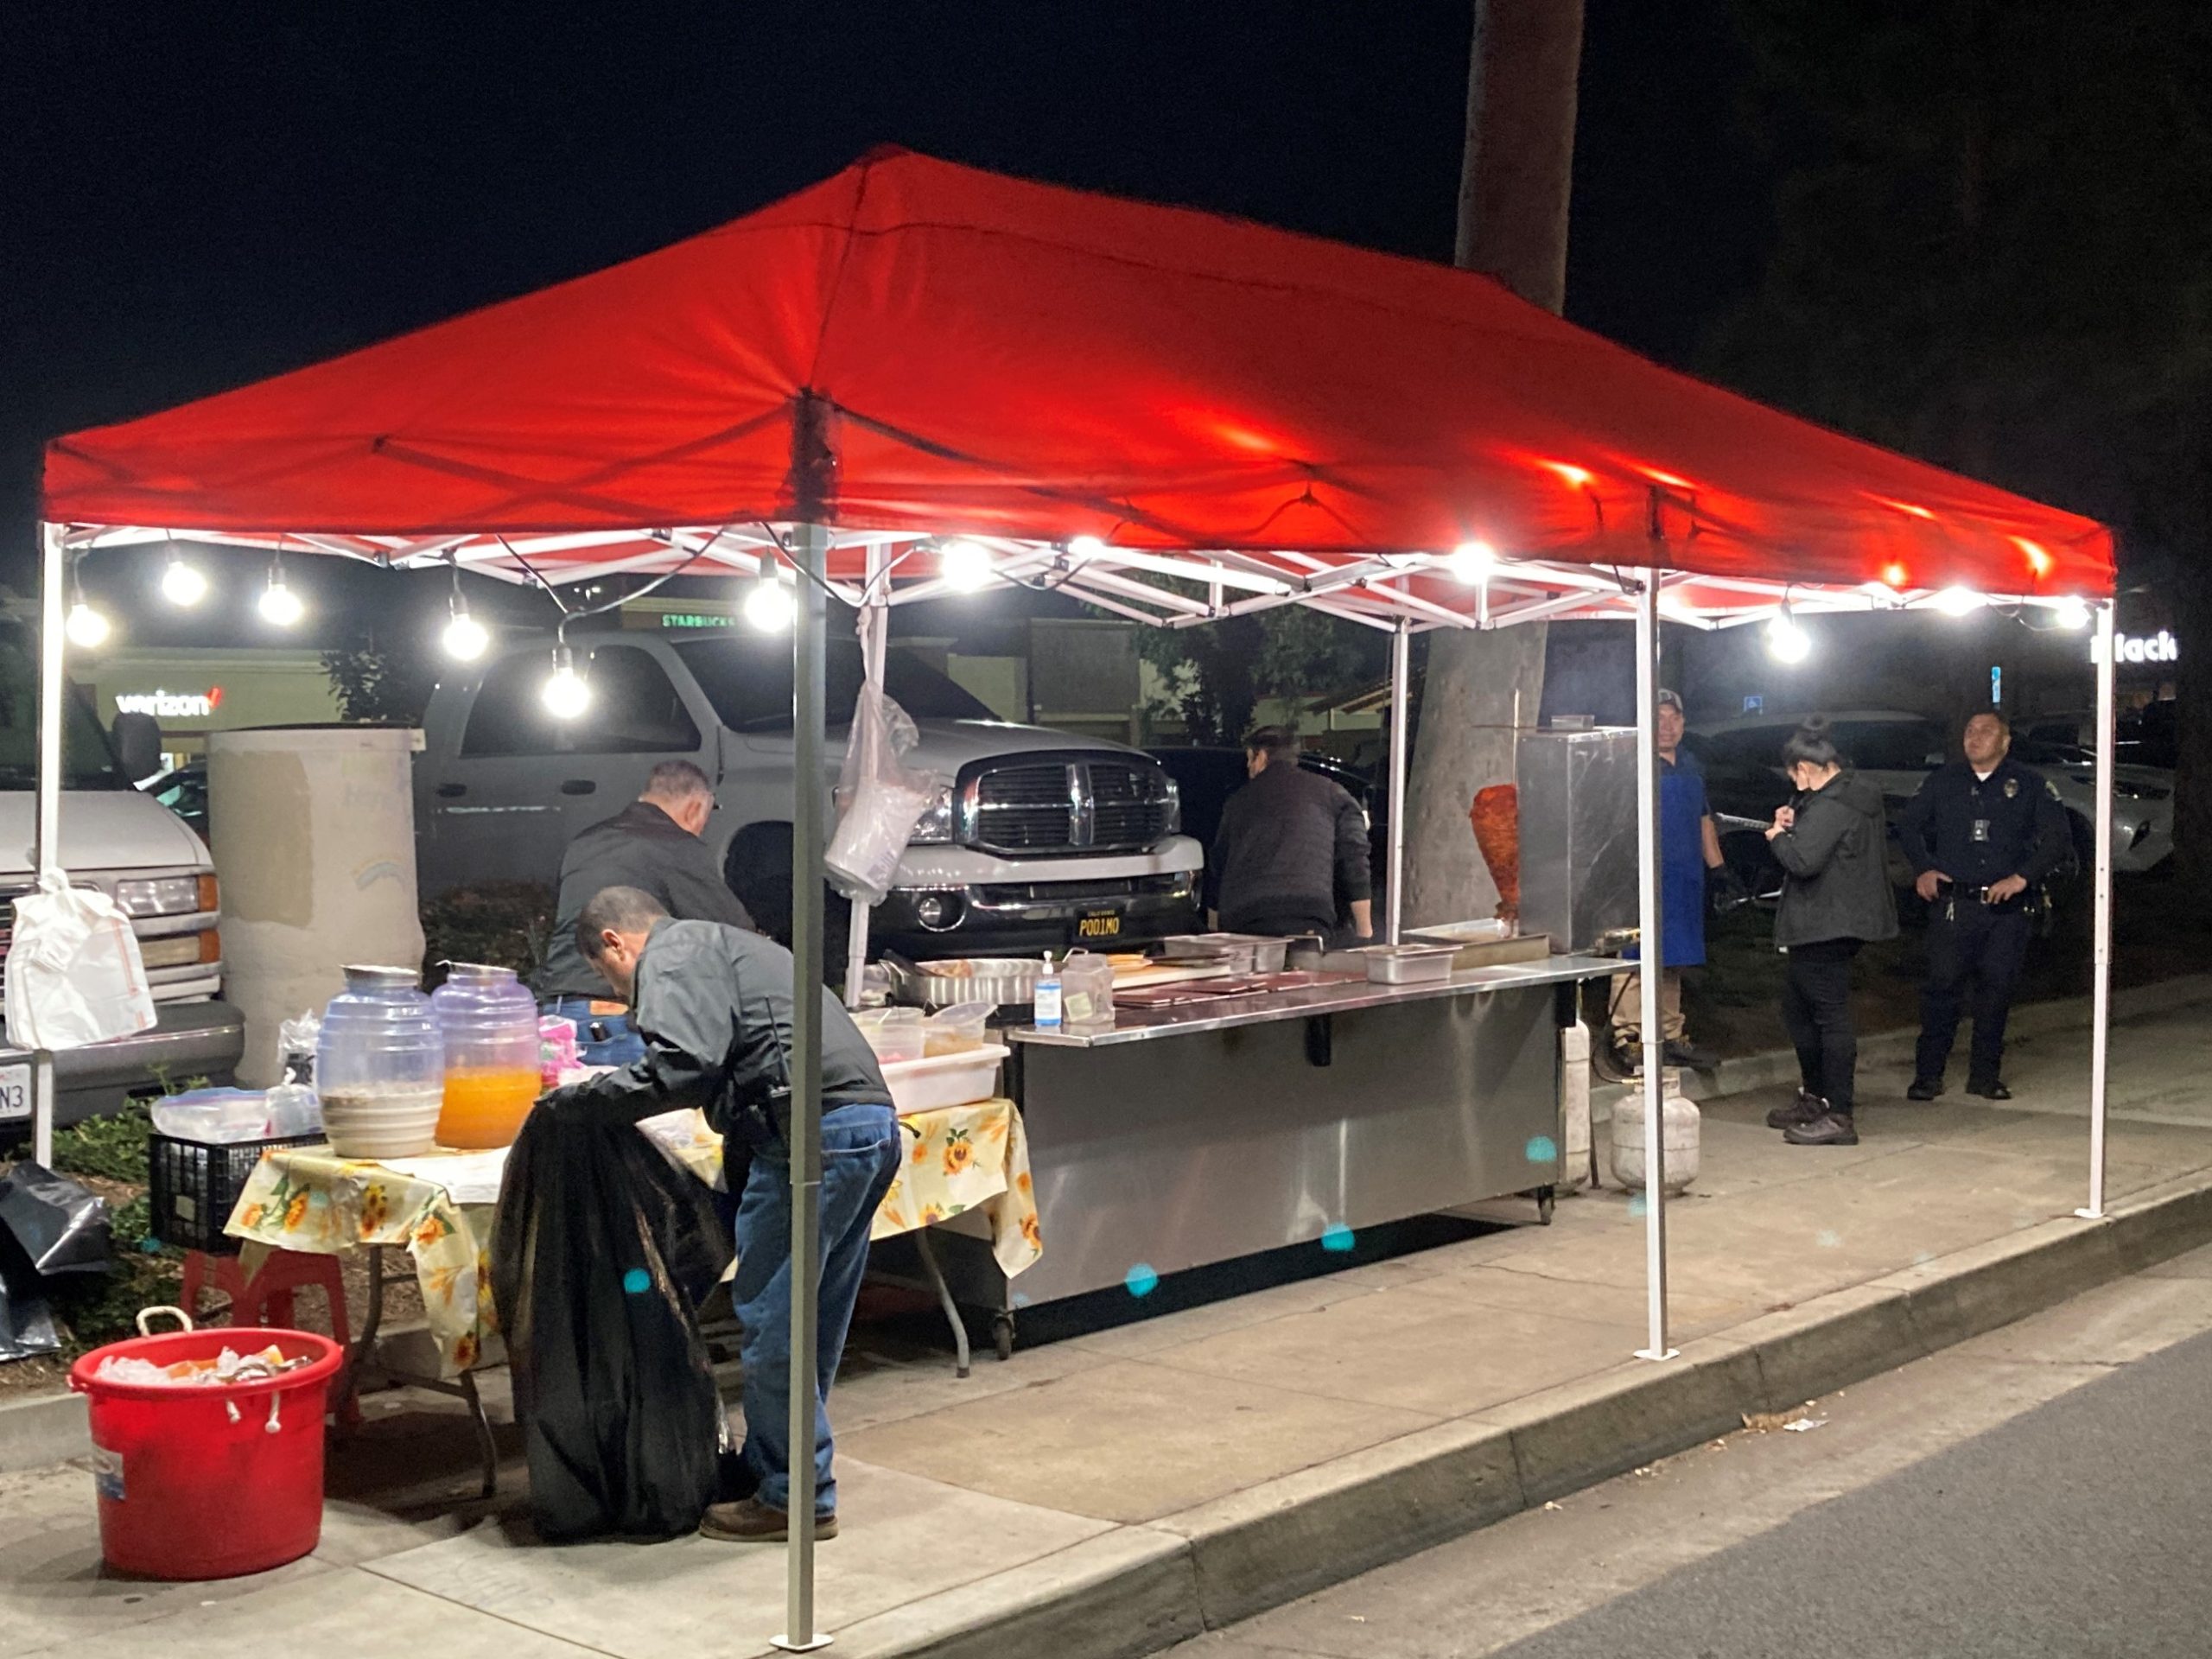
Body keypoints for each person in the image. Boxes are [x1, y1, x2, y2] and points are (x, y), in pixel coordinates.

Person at [540, 885, 899, 1543]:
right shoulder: (728, 945)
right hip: (867, 1128)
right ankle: (773, 1469)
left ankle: (794, 1498)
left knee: (776, 1324)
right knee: (809, 1323)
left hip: (808, 1140)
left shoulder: (672, 956)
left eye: (607, 974)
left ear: (617, 943)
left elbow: (684, 1065)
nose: (621, 993)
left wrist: (585, 1101)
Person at [1898, 710, 2071, 1101]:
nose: (1974, 737)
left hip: (2004, 910)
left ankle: (1985, 1076)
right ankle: (1928, 1076)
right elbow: (1908, 826)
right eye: (1969, 730)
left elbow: (2057, 839)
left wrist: (2023, 877)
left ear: (2005, 741)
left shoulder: (2028, 784)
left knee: (1995, 994)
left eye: (1985, 731)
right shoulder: (1944, 781)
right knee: (1941, 991)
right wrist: (1924, 869)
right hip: (1954, 906)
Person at [535, 760, 755, 1064]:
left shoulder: (584, 842)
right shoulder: (677, 845)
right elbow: (734, 933)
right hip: (618, 1019)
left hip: (555, 1015)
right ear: (694, 809)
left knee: (568, 1108)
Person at [1761, 717, 1898, 1147]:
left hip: (1827, 922)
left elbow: (1803, 860)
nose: (1792, 781)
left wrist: (1776, 837)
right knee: (1799, 1010)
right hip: (1834, 920)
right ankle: (1816, 1097)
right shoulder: (1849, 795)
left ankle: (1839, 1113)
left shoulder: (1834, 804)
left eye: (1794, 772)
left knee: (1828, 1014)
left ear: (1808, 766)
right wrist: (1793, 818)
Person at [1606, 689, 1741, 1077]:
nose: (1665, 726)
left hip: (1684, 879)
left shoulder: (1691, 765)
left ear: (1682, 723)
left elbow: (1704, 821)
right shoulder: (1629, 765)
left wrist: (1719, 870)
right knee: (1634, 955)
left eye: (1672, 718)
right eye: (1657, 717)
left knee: (1673, 958)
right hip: (1637, 877)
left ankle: (1669, 1034)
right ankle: (1627, 1036)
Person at [1206, 726, 1373, 944]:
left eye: (1250, 759)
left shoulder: (1237, 802)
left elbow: (1218, 864)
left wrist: (1214, 927)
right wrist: (1365, 929)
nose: (1248, 767)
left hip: (1243, 918)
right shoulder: (1332, 794)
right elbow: (1354, 859)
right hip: (1307, 914)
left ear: (1262, 756)